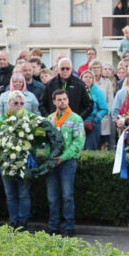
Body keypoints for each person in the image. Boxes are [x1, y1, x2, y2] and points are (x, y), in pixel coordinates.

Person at [0, 92, 38, 228]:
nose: (18, 106)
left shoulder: (30, 119)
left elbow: (36, 141)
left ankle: (23, 223)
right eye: (15, 103)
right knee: (10, 194)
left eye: (21, 103)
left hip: (24, 162)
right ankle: (13, 221)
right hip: (6, 163)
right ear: (9, 104)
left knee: (23, 194)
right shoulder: (1, 121)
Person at [45, 89, 85, 236]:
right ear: (54, 102)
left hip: (67, 162)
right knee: (52, 197)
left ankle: (69, 227)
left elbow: (78, 143)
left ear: (68, 100)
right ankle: (53, 227)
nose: (62, 102)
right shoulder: (49, 119)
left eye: (64, 99)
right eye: (59, 100)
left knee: (67, 196)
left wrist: (63, 157)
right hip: (51, 162)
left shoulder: (76, 119)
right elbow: (45, 141)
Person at [79, 70, 109, 150]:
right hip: (78, 124)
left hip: (92, 125)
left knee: (90, 149)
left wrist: (95, 120)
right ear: (81, 78)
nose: (88, 79)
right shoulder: (78, 90)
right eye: (85, 77)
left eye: (90, 77)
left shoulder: (98, 91)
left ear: (93, 80)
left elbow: (105, 109)